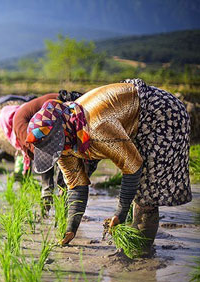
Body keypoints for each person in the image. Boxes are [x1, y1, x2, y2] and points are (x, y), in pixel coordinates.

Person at [25, 78, 192, 256]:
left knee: (145, 191)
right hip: (127, 120)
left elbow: (133, 167)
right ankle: (130, 234)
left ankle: (141, 250)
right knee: (134, 190)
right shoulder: (65, 142)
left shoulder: (97, 128)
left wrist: (119, 213)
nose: (59, 152)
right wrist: (71, 228)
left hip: (161, 114)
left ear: (63, 133)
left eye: (58, 146)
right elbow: (76, 185)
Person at [0, 91, 92, 210]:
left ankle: (61, 195)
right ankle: (47, 192)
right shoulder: (27, 124)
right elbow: (44, 153)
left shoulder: (71, 112)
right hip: (34, 120)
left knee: (64, 159)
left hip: (51, 114)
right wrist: (48, 189)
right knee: (45, 152)